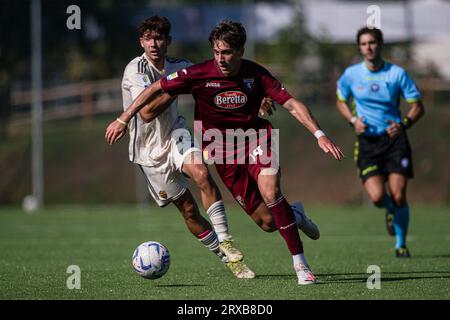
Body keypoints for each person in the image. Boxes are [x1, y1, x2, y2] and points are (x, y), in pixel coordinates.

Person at [106, 20, 344, 285]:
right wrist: (124, 118)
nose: (220, 58)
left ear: (241, 50)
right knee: (263, 222)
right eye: (216, 52)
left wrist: (319, 134)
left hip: (244, 138)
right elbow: (149, 108)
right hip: (210, 149)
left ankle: (300, 266)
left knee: (259, 189)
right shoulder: (175, 72)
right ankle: (293, 216)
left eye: (227, 52)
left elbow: (291, 103)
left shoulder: (251, 73)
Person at [117, 16, 255, 278]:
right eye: (148, 38)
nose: (154, 43)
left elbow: (217, 81)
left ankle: (226, 241)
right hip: (148, 152)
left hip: (176, 134)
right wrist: (178, 86)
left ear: (168, 41)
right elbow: (146, 113)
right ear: (141, 42)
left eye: (159, 38)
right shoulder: (136, 70)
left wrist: (254, 100)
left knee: (202, 174)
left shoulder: (181, 66)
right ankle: (225, 257)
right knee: (189, 211)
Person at [336, 27, 425, 257]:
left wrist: (403, 124)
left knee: (399, 195)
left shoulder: (396, 74)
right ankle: (389, 210)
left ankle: (401, 244)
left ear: (380, 44)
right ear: (359, 47)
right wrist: (353, 120)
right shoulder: (351, 74)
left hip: (395, 141)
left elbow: (418, 106)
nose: (369, 47)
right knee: (377, 197)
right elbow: (341, 101)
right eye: (364, 43)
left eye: (373, 42)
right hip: (367, 143)